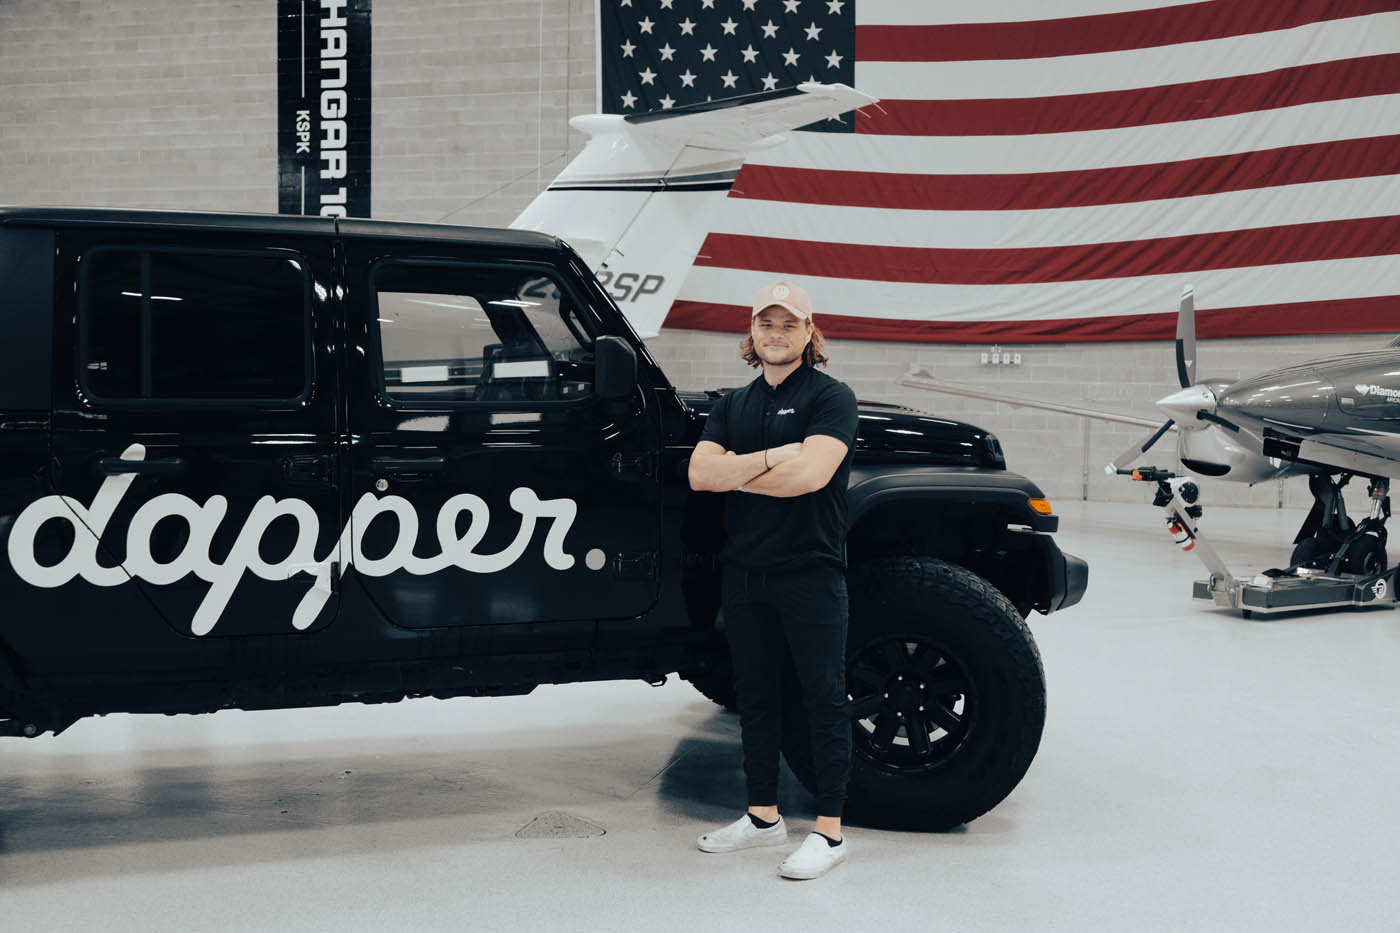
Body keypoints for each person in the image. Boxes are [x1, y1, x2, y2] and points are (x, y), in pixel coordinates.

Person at [686, 280, 858, 880]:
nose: (776, 334)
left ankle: (831, 834)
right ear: (751, 333)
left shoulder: (832, 397)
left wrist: (738, 470)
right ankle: (762, 818)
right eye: (767, 324)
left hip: (809, 571)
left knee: (823, 698)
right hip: (746, 572)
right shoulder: (733, 403)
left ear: (810, 334)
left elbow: (809, 477)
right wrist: (767, 459)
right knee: (755, 699)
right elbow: (700, 475)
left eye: (789, 325)